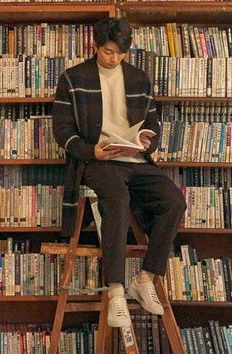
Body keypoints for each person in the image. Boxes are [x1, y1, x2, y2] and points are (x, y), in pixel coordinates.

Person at [52, 17, 186, 328]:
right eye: (109, 52)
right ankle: (115, 291)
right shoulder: (73, 78)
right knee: (116, 199)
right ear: (95, 46)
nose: (114, 58)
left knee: (174, 201)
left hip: (135, 160)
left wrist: (145, 140)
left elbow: (153, 124)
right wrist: (92, 151)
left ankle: (146, 277)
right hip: (97, 161)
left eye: (120, 53)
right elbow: (62, 131)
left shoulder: (139, 78)